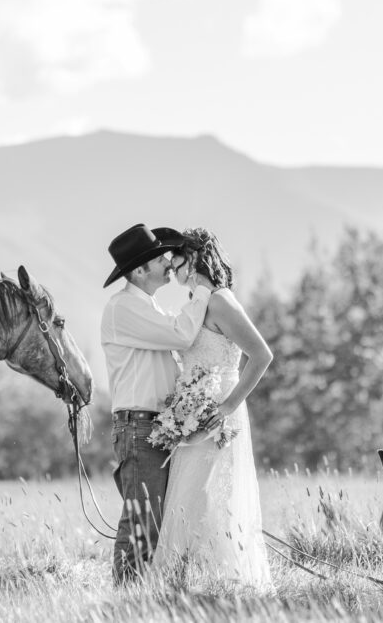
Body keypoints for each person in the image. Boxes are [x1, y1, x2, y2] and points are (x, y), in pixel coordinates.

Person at [152, 227, 274, 591]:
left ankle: (225, 586)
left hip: (218, 413)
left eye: (177, 259)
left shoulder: (220, 301)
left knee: (209, 497)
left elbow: (262, 355)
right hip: (193, 414)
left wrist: (227, 406)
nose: (172, 267)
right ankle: (179, 586)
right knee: (189, 495)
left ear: (194, 259)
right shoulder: (197, 302)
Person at [100, 223, 212, 584]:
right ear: (139, 270)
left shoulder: (144, 306)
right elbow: (181, 335)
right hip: (139, 427)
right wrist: (204, 294)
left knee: (149, 520)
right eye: (157, 258)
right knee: (143, 521)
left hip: (153, 427)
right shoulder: (123, 308)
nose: (167, 262)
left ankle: (133, 597)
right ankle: (126, 599)